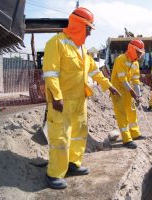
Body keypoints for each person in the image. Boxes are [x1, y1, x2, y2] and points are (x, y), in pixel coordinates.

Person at [42, 7, 119, 189]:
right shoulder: (56, 43)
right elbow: (50, 74)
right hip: (62, 102)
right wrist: (56, 97)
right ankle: (54, 173)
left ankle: (73, 164)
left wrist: (108, 85)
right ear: (79, 25)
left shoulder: (82, 48)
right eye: (89, 28)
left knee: (78, 134)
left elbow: (94, 71)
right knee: (60, 138)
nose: (90, 33)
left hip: (80, 100)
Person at [110, 39, 147, 149]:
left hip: (128, 90)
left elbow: (135, 80)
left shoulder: (135, 63)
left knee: (131, 112)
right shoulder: (120, 59)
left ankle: (135, 134)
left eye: (141, 53)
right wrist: (132, 92)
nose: (140, 55)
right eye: (138, 52)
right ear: (132, 49)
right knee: (122, 115)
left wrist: (138, 94)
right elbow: (123, 79)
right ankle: (126, 139)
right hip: (118, 92)